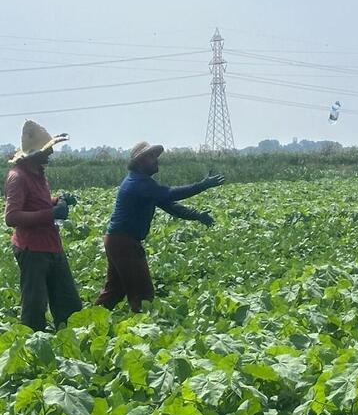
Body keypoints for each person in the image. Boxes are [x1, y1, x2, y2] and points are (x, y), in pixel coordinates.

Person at [94, 142, 225, 312]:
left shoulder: (145, 184)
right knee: (143, 295)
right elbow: (170, 193)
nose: (156, 161)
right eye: (151, 157)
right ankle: (142, 329)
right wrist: (202, 185)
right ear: (140, 162)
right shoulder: (138, 183)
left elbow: (170, 205)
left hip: (118, 241)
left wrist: (197, 215)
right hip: (124, 243)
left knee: (115, 291)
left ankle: (88, 325)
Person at [4, 120, 82, 331]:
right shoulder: (17, 177)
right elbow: (11, 217)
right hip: (32, 250)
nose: (50, 154)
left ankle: (69, 346)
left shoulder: (38, 172)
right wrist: (50, 213)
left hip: (52, 245)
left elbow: (37, 202)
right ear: (33, 153)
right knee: (35, 307)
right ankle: (33, 351)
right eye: (46, 150)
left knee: (68, 303)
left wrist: (57, 201)